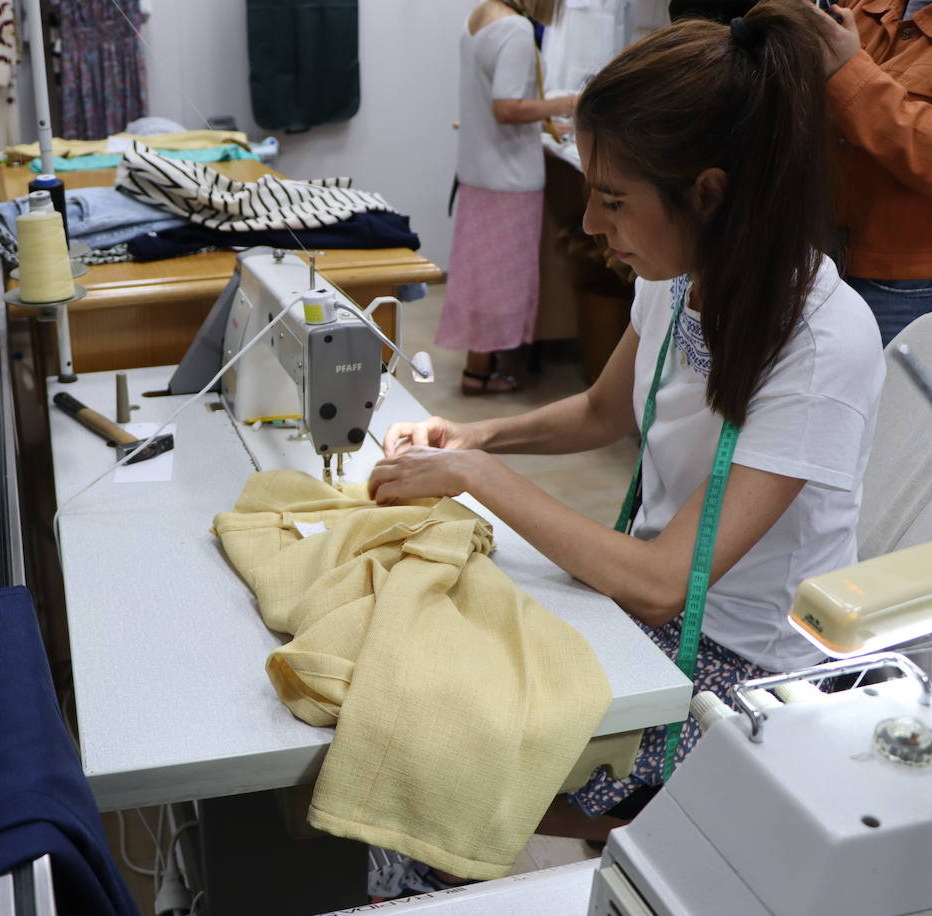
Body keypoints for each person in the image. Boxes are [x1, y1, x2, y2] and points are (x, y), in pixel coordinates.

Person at [371, 0, 885, 839]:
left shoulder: (824, 343)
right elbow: (604, 411)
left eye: (612, 199)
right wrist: (474, 435)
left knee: (442, 765)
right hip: (650, 619)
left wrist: (476, 475)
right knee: (418, 677)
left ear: (710, 195)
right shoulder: (677, 272)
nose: (588, 223)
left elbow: (661, 583)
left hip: (750, 677)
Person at [440, 0, 575, 394]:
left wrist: (547, 118)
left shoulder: (477, 18)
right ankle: (482, 372)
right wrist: (570, 102)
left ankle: (477, 366)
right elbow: (508, 107)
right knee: (500, 283)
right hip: (510, 178)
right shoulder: (516, 30)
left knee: (479, 277)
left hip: (480, 172)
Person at [813, 0, 932, 347]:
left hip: (903, 287)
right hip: (817, 260)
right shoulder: (865, 5)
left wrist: (847, 70)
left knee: (887, 399)